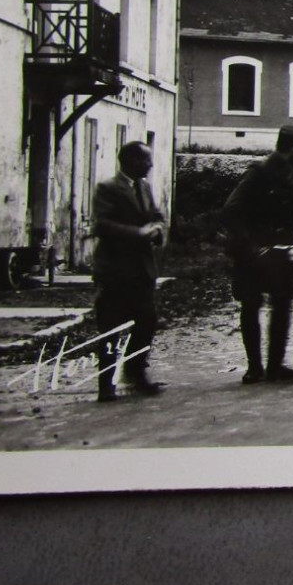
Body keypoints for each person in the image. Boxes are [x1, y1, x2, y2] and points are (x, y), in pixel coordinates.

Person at [221, 124, 293, 384]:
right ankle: (255, 367)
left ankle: (273, 366)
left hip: (280, 249)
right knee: (251, 305)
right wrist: (248, 246)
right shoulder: (259, 173)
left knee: (281, 304)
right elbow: (231, 210)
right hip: (252, 251)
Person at [91, 141, 167, 401]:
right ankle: (106, 385)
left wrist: (157, 229)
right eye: (146, 160)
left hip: (142, 270)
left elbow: (157, 216)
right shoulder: (108, 188)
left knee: (146, 323)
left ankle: (135, 374)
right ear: (131, 161)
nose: (150, 165)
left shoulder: (144, 187)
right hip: (115, 270)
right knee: (111, 328)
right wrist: (137, 233)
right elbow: (102, 225)